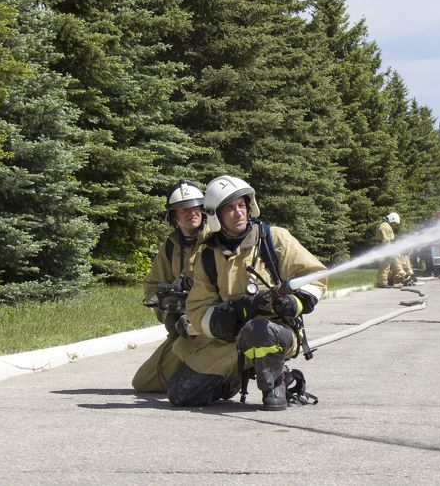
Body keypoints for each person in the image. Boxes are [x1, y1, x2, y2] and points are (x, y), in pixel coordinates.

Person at [168, 175, 326, 411]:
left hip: (276, 332)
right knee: (181, 394)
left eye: (242, 205)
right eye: (230, 208)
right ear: (214, 216)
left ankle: (277, 381)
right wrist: (228, 315)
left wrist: (294, 302)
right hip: (232, 338)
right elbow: (198, 309)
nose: (239, 213)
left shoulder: (274, 239)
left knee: (259, 331)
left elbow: (315, 277)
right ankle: (231, 377)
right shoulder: (208, 255)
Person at [133, 180, 209, 393]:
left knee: (199, 381)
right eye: (183, 209)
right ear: (174, 217)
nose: (191, 213)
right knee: (144, 382)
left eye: (195, 207)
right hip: (184, 328)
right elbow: (151, 286)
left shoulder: (217, 242)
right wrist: (168, 313)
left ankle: (222, 377)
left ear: (203, 211)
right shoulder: (170, 247)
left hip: (214, 325)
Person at [376, 212, 405, 288]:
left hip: (387, 248)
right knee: (385, 267)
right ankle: (382, 283)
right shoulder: (384, 227)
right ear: (392, 219)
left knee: (390, 266)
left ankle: (390, 281)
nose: (394, 224)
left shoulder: (386, 225)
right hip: (385, 249)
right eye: (394, 222)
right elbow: (385, 240)